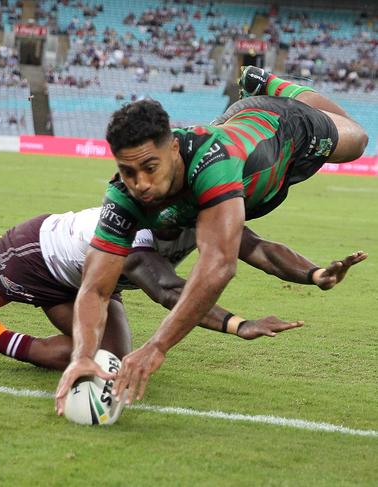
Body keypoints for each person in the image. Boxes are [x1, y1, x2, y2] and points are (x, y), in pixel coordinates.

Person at [53, 65, 369, 413]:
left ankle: (275, 86)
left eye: (149, 168)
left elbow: (219, 265)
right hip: (247, 147)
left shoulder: (214, 164)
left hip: (284, 128)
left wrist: (156, 346)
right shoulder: (122, 196)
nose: (140, 183)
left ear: (173, 148)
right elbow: (96, 288)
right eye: (128, 171)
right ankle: (263, 90)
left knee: (357, 139)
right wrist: (81, 356)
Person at [0, 205, 361, 370]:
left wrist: (312, 274)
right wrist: (238, 324)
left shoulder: (212, 214)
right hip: (35, 254)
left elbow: (259, 250)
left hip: (86, 281)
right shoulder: (137, 237)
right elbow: (166, 291)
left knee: (110, 362)